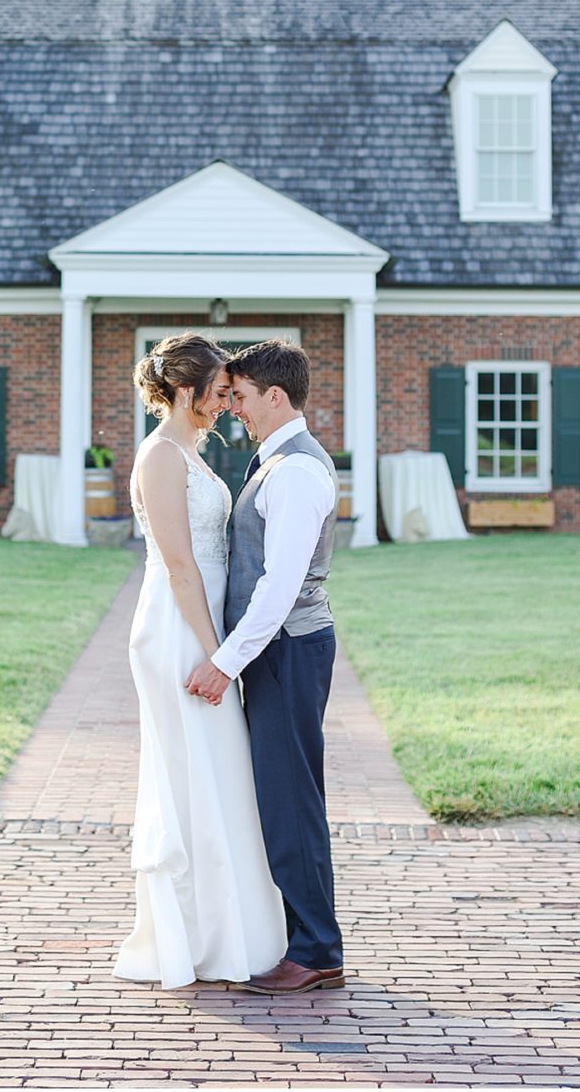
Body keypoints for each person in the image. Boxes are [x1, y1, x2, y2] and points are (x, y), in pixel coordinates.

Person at [113, 331, 286, 989]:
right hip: (179, 630)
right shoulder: (160, 456)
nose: (223, 405)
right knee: (194, 773)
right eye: (217, 393)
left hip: (202, 625)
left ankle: (229, 930)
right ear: (184, 390)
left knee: (220, 773)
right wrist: (217, 652)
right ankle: (196, 937)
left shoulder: (189, 453)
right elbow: (181, 564)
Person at [185, 339, 345, 993]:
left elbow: (279, 588)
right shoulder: (279, 462)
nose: (236, 410)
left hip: (289, 649)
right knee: (282, 798)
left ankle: (314, 951)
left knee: (290, 802)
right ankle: (303, 939)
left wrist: (223, 663)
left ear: (274, 396)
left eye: (242, 398)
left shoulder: (297, 471)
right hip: (279, 650)